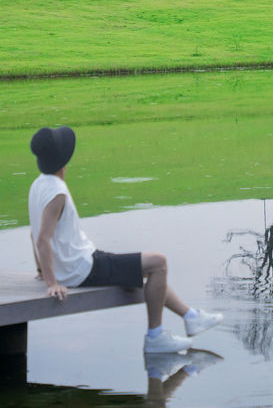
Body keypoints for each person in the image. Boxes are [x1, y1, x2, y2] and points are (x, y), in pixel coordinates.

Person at [28, 125, 223, 353]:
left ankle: (191, 316)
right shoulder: (57, 192)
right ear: (64, 159)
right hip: (83, 268)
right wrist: (51, 283)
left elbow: (33, 233)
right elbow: (42, 239)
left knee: (138, 273)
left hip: (80, 264)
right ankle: (155, 337)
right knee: (158, 263)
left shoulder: (38, 185)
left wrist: (42, 271)